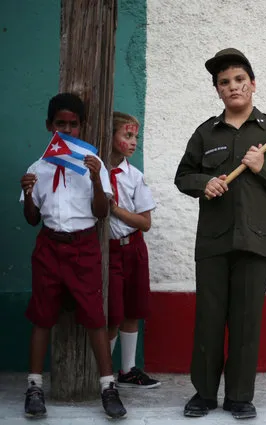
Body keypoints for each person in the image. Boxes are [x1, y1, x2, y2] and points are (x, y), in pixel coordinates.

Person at [174, 48, 266, 419]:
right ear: (218, 91)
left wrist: (263, 167)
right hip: (214, 241)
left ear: (252, 84)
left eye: (239, 80)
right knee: (209, 320)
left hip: (255, 241)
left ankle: (240, 397)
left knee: (246, 323)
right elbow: (183, 176)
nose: (233, 87)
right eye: (224, 82)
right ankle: (203, 394)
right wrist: (204, 183)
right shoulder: (205, 133)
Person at [19, 93, 127, 418]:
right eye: (60, 123)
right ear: (49, 126)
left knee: (94, 316)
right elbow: (32, 219)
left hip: (83, 246)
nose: (67, 129)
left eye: (73, 124)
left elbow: (102, 212)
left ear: (82, 126)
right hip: (49, 246)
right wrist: (27, 194)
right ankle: (34, 386)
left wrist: (95, 178)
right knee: (42, 315)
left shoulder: (92, 165)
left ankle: (108, 386)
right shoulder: (37, 168)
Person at [107, 112, 160, 389]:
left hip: (134, 248)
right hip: (108, 253)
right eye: (127, 135)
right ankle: (101, 374)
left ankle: (127, 370)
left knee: (132, 310)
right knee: (112, 313)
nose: (133, 142)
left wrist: (115, 209)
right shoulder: (95, 175)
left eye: (135, 136)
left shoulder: (134, 177)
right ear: (109, 136)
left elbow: (145, 222)